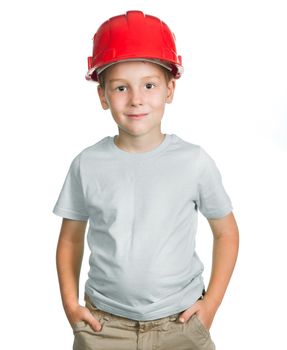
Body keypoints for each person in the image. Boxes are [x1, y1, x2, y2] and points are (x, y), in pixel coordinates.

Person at [53, 10, 239, 350]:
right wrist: (70, 304)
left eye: (149, 85)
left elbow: (226, 232)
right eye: (121, 87)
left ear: (170, 89)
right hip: (104, 326)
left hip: (180, 324)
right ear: (103, 96)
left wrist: (209, 305)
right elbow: (69, 240)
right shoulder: (87, 164)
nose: (136, 99)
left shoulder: (194, 162)